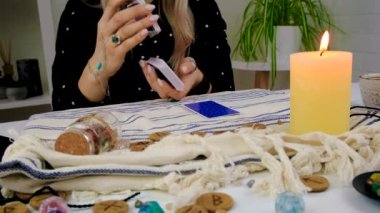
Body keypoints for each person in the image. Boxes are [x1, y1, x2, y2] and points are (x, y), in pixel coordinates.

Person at [52, 0, 235, 111]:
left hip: (188, 146)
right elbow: (63, 119)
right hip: (115, 155)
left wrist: (198, 83)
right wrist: (98, 70)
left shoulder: (198, 5)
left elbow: (229, 100)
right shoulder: (80, 10)